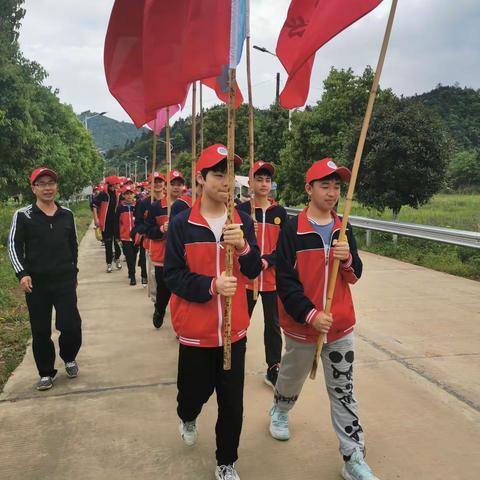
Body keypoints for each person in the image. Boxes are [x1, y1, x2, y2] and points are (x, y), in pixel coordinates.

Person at [268, 158, 379, 480]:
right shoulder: (292, 229)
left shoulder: (343, 226)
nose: (331, 193)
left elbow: (355, 274)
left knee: (343, 389)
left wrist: (346, 260)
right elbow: (285, 282)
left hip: (339, 326)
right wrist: (311, 314)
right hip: (302, 326)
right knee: (291, 375)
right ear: (309, 188)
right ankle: (281, 408)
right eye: (324, 186)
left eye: (336, 187)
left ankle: (353, 456)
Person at [164, 144, 262, 480]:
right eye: (219, 174)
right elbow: (173, 275)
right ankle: (187, 415)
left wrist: (244, 246)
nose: (226, 181)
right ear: (201, 178)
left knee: (232, 403)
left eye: (231, 174)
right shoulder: (182, 225)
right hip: (195, 331)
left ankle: (226, 462)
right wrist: (211, 286)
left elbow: (254, 270)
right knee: (194, 393)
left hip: (235, 331)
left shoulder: (242, 221)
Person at [8, 167, 82, 391]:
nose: (47, 188)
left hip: (64, 281)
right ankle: (46, 372)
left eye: (51, 183)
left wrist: (73, 272)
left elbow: (73, 246)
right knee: (40, 330)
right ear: (33, 188)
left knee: (69, 325)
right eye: (41, 184)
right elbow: (13, 246)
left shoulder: (66, 214)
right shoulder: (23, 215)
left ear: (56, 186)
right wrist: (22, 274)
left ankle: (69, 357)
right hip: (36, 284)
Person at [237, 161, 286, 388]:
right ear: (250, 182)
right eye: (259, 179)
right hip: (247, 280)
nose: (264, 184)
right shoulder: (241, 212)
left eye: (267, 180)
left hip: (271, 279)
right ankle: (235, 362)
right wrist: (246, 234)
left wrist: (267, 260)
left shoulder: (280, 212)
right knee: (240, 322)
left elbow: (285, 247)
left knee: (273, 325)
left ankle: (273, 366)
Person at [145, 169, 184, 328]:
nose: (176, 187)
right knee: (164, 289)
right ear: (166, 187)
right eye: (172, 184)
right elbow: (147, 230)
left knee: (180, 292)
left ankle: (180, 325)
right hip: (162, 256)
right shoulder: (156, 207)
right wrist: (161, 230)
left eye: (179, 184)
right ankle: (160, 309)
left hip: (183, 256)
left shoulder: (189, 205)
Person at [133, 172, 165, 288]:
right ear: (149, 185)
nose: (157, 184)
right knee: (154, 276)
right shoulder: (143, 203)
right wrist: (149, 229)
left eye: (159, 181)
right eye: (154, 182)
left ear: (164, 183)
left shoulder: (169, 202)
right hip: (151, 244)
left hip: (169, 244)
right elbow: (138, 225)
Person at [92, 175, 122, 273]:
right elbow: (94, 205)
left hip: (116, 223)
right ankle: (109, 263)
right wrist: (96, 218)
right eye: (117, 183)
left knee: (117, 243)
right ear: (112, 184)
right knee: (108, 244)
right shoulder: (103, 194)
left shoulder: (118, 194)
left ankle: (117, 259)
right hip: (105, 223)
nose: (118, 185)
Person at [116, 185, 138, 285]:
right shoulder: (120, 207)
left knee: (134, 256)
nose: (129, 196)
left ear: (134, 194)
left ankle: (131, 270)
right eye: (127, 194)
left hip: (136, 237)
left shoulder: (137, 206)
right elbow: (116, 222)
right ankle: (132, 276)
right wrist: (117, 235)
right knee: (128, 256)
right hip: (125, 237)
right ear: (123, 195)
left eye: (131, 193)